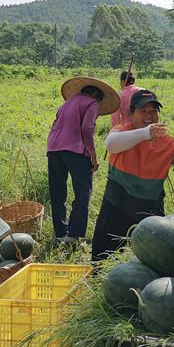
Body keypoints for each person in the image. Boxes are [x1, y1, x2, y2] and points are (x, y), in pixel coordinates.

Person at [91, 89, 174, 261]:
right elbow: (111, 144)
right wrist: (145, 133)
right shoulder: (122, 130)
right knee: (103, 258)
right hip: (116, 204)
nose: (149, 115)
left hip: (149, 207)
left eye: (153, 111)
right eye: (143, 111)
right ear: (131, 114)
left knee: (153, 260)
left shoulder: (166, 141)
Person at [47, 76, 119, 243]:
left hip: (53, 149)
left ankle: (60, 233)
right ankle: (74, 235)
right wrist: (93, 155)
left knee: (57, 192)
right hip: (76, 151)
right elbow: (87, 128)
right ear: (95, 96)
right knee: (82, 193)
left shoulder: (66, 103)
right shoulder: (92, 103)